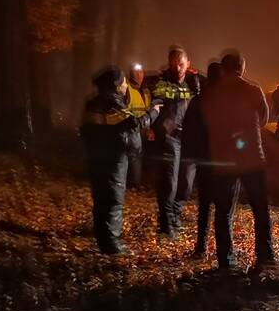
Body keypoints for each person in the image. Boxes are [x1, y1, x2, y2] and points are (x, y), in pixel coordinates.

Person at [202, 51, 274, 271]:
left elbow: (208, 121)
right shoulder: (253, 90)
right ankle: (265, 256)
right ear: (241, 68)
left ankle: (226, 259)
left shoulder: (211, 93)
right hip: (252, 157)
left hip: (223, 160)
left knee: (223, 211)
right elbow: (264, 118)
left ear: (223, 68)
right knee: (260, 209)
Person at [80, 66, 159, 255]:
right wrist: (153, 112)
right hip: (113, 159)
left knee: (101, 199)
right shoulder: (112, 105)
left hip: (97, 158)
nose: (125, 85)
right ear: (116, 86)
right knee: (113, 199)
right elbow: (132, 124)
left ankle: (103, 240)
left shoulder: (94, 103)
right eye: (123, 82)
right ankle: (111, 245)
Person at [150, 45, 201, 239]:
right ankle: (165, 223)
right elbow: (159, 100)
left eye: (180, 64)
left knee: (187, 182)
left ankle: (175, 214)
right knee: (169, 182)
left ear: (188, 64)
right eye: (174, 64)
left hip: (189, 138)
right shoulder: (164, 82)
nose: (177, 68)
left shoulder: (195, 80)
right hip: (170, 137)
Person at [181, 61, 221, 258]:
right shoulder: (224, 99)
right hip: (221, 159)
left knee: (204, 204)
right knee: (222, 206)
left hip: (204, 159)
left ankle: (201, 246)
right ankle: (223, 250)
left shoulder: (198, 100)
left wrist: (191, 155)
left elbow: (188, 129)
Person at [125, 63, 152, 188]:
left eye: (141, 72)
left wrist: (150, 129)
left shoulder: (146, 91)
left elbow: (148, 109)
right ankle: (134, 184)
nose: (139, 75)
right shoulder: (127, 90)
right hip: (132, 128)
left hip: (145, 129)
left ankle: (140, 182)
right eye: (135, 73)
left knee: (143, 157)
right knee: (134, 157)